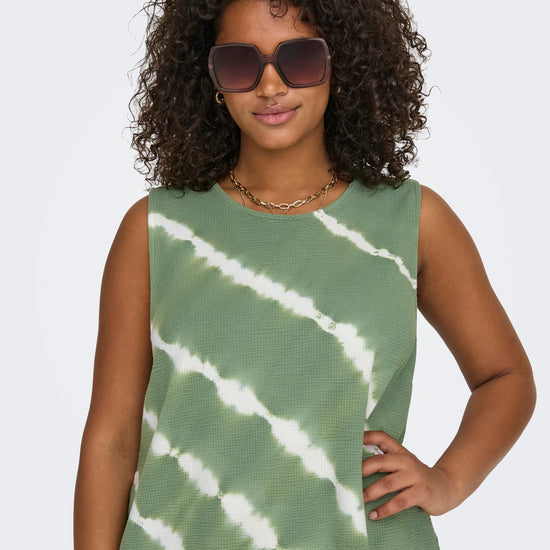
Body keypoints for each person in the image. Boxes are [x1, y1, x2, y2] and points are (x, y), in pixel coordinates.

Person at [73, 0, 536, 548]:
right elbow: (111, 439)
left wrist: (450, 480)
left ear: (343, 65)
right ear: (212, 78)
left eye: (300, 59)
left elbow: (505, 377)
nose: (270, 86)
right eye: (241, 64)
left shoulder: (412, 222)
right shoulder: (155, 230)